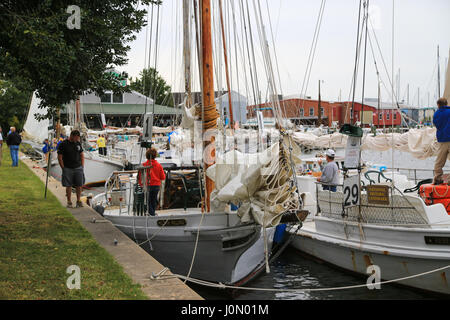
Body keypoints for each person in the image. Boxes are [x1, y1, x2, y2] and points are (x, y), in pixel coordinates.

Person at [57, 130, 85, 208]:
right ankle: (69, 201)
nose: (77, 139)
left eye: (78, 138)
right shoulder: (63, 144)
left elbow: (82, 154)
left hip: (78, 167)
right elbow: (60, 157)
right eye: (77, 137)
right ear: (72, 136)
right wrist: (63, 168)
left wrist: (82, 166)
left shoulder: (78, 144)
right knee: (68, 185)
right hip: (68, 168)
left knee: (79, 185)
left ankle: (78, 200)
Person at [138, 148, 166, 216]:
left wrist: (140, 184)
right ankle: (152, 212)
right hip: (156, 185)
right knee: (154, 199)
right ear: (155, 155)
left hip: (147, 185)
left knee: (148, 201)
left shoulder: (144, 165)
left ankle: (152, 213)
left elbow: (140, 176)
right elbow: (163, 177)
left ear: (147, 155)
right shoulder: (159, 165)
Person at [432, 98, 450, 185]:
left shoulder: (436, 114)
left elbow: (436, 124)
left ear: (438, 104)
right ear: (446, 103)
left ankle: (438, 178)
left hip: (442, 140)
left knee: (439, 161)